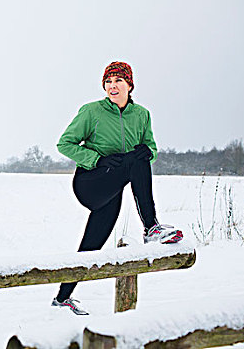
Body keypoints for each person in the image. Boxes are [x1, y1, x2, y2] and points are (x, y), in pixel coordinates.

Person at [51, 61, 183, 316]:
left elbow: (150, 148)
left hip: (114, 188)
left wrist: (149, 152)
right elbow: (64, 144)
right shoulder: (91, 111)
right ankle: (151, 227)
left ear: (129, 85)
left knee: (91, 245)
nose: (112, 86)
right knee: (136, 160)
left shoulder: (142, 115)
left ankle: (62, 298)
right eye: (108, 82)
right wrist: (97, 159)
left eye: (118, 81)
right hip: (91, 182)